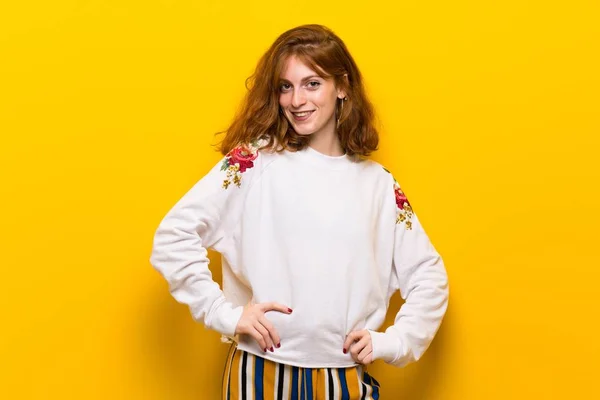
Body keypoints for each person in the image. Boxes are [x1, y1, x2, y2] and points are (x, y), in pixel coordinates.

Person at [149, 24, 449, 399]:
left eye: (312, 84)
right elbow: (174, 235)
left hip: (344, 378)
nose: (296, 100)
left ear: (342, 87)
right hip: (260, 374)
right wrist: (224, 313)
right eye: (285, 86)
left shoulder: (378, 185)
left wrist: (397, 341)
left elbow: (428, 276)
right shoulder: (254, 162)